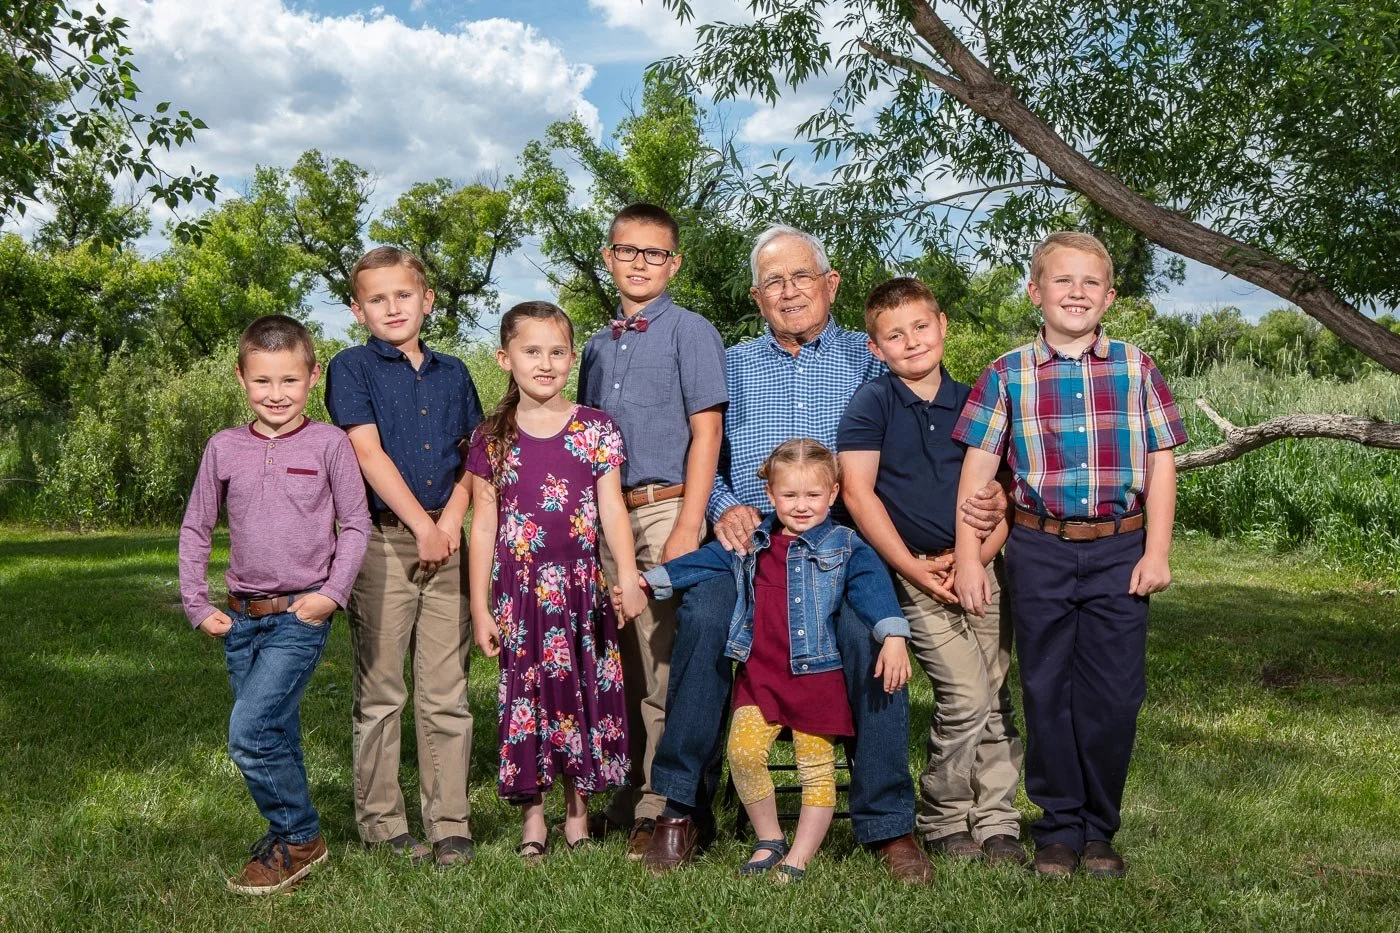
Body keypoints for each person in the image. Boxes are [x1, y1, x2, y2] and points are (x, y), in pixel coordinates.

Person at [642, 224, 1008, 884]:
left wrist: (982, 516)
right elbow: (707, 453)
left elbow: (916, 453)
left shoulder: (871, 361)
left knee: (869, 637)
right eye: (774, 282)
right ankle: (680, 806)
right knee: (703, 619)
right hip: (751, 545)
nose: (789, 292)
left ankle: (887, 823)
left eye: (801, 277)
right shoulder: (731, 363)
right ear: (757, 297)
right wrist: (726, 504)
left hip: (842, 549)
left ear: (830, 284)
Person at [952, 231, 1187, 879]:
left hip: (1121, 549)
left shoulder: (1137, 368)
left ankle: (1098, 828)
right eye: (1063, 280)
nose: (1076, 292)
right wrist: (970, 557)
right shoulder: (1006, 373)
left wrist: (1158, 549)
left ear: (1109, 296)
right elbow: (978, 471)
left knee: (1114, 696)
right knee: (1047, 687)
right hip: (1038, 547)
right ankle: (1058, 826)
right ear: (1036, 291)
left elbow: (1162, 462)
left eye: (1090, 283)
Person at [625, 439, 910, 881]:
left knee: (815, 766)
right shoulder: (754, 543)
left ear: (833, 494)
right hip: (764, 679)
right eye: (789, 496)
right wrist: (649, 582)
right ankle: (769, 838)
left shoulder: (846, 547)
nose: (800, 506)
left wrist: (892, 634)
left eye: (813, 495)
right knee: (744, 752)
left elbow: (873, 587)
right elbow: (703, 561)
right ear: (770, 496)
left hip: (818, 682)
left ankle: (801, 854)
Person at [178, 315, 370, 894]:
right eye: (263, 382)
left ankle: (300, 834)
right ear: (241, 378)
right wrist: (195, 600)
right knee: (275, 731)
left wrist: (330, 595)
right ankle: (292, 838)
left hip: (298, 617)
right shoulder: (224, 447)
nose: (276, 394)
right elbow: (195, 527)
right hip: (240, 617)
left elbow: (356, 524)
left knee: (248, 731)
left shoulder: (330, 443)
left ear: (311, 377)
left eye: (289, 380)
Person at [837, 278, 1025, 865]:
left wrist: (981, 556)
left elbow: (1006, 494)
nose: (911, 341)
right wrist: (915, 572)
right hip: (917, 575)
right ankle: (943, 816)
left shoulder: (978, 402)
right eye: (894, 335)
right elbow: (860, 494)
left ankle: (997, 821)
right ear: (876, 348)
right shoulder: (873, 403)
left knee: (995, 694)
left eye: (921, 326)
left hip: (979, 567)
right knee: (966, 693)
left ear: (943, 326)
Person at [466, 301, 649, 863]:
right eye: (531, 351)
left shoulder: (596, 429)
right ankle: (533, 818)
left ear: (572, 357)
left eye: (556, 352)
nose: (544, 363)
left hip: (581, 591)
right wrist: (479, 606)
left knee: (581, 694)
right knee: (529, 697)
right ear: (505, 358)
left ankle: (578, 813)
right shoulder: (491, 437)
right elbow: (483, 525)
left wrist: (630, 576)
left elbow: (613, 510)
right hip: (521, 595)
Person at [325, 247, 484, 869]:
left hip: (445, 541)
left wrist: (448, 522)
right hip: (384, 542)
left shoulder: (455, 374)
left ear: (428, 300)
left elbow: (477, 456)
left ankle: (449, 822)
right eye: (377, 298)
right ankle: (383, 822)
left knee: (446, 690)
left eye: (403, 295)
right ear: (357, 309)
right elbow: (366, 452)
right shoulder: (351, 368)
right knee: (382, 688)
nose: (392, 307)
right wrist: (421, 523)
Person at [578, 203, 727, 858]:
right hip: (608, 512)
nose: (640, 263)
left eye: (654, 253)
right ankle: (627, 786)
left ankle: (663, 804)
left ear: (675, 262)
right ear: (608, 256)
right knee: (625, 661)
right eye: (627, 250)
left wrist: (689, 522)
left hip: (667, 505)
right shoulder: (595, 344)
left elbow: (708, 432)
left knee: (663, 661)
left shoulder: (690, 332)